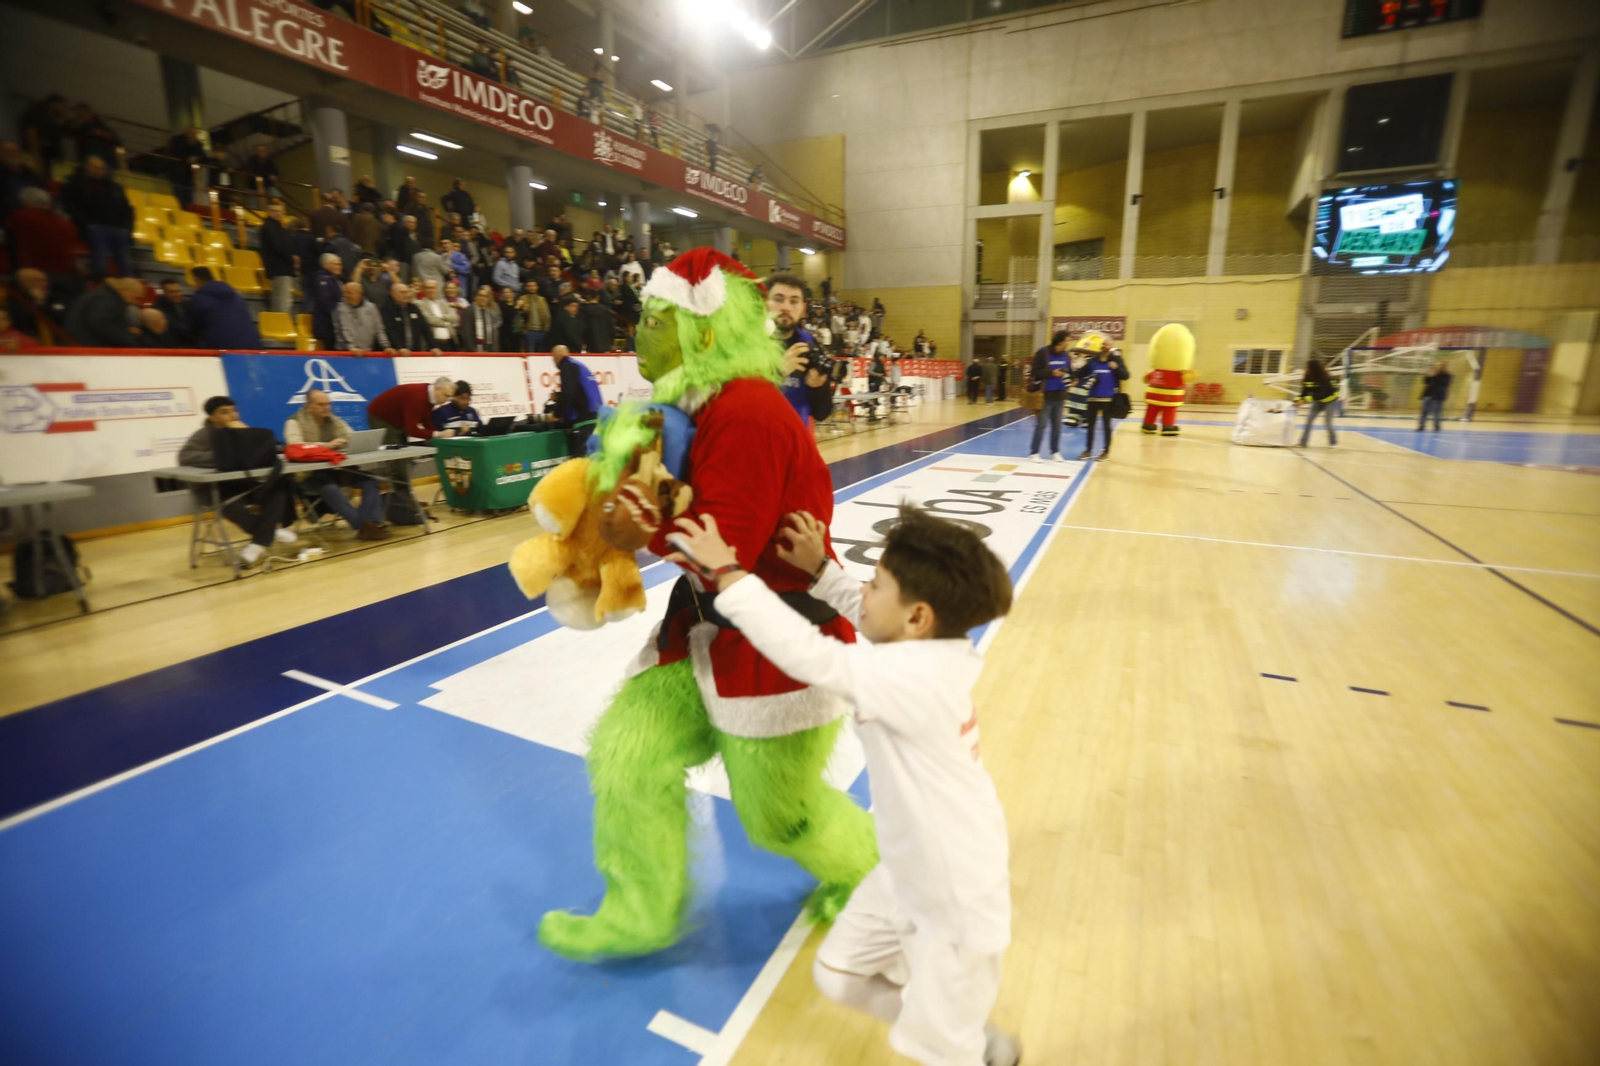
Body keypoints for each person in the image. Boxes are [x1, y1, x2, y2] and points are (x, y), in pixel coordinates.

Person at [664, 504, 1021, 1066]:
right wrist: (822, 572)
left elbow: (811, 655)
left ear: (918, 616)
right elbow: (873, 617)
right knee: (837, 976)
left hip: (956, 898)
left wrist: (729, 572)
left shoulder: (912, 678)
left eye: (876, 582)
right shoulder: (925, 650)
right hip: (908, 869)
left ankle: (965, 1045)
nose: (865, 589)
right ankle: (957, 1034)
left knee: (941, 1050)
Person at [178, 396, 299, 568]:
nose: (232, 415)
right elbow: (185, 457)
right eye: (224, 412)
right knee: (230, 503)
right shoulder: (204, 435)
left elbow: (268, 450)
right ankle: (267, 536)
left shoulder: (241, 431)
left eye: (233, 411)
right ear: (212, 417)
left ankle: (259, 542)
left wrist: (252, 437)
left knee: (278, 485)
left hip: (243, 484)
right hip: (215, 488)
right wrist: (222, 456)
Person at [284, 389, 389, 540]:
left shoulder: (333, 419)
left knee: (369, 481)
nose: (326, 408)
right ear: (308, 406)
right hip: (307, 475)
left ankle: (370, 522)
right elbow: (296, 446)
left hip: (335, 469)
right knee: (329, 487)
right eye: (321, 405)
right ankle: (363, 526)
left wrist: (350, 442)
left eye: (328, 404)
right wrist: (328, 445)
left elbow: (350, 435)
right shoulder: (293, 422)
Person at [60, 155, 133, 277]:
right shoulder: (75, 183)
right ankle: (99, 279)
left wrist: (127, 229)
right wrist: (87, 224)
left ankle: (127, 280)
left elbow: (128, 209)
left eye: (100, 168)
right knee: (100, 255)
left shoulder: (115, 187)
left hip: (118, 228)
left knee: (125, 262)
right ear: (86, 167)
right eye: (94, 167)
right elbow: (71, 205)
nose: (97, 170)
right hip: (95, 227)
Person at [766, 272, 822, 425]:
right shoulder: (747, 342)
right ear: (765, 303)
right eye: (778, 299)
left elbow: (822, 413)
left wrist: (819, 388)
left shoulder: (809, 343)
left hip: (794, 442)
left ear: (803, 309)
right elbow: (739, 402)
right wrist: (778, 372)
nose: (786, 307)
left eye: (794, 301)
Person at [1073, 335, 1128, 461]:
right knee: (1090, 425)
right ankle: (1088, 450)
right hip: (1093, 398)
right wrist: (1073, 376)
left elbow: (1126, 375)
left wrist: (1117, 368)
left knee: (1106, 426)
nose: (1104, 346)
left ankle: (1106, 451)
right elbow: (1081, 372)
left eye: (1106, 344)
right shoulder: (1093, 361)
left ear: (1111, 346)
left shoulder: (1116, 360)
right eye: (1103, 344)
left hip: (1108, 400)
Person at [367, 376, 463, 443]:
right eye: (445, 396)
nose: (446, 400)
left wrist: (440, 435)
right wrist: (438, 434)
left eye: (449, 398)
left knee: (403, 452)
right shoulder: (418, 398)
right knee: (395, 455)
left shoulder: (430, 394)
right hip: (380, 416)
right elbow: (411, 430)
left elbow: (426, 419)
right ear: (437, 388)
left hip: (395, 417)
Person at [7, 186, 77, 277]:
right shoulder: (67, 224)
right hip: (65, 275)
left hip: (32, 274)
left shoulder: (19, 216)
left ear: (28, 202)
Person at [188, 266, 264, 349]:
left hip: (224, 349)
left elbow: (194, 328)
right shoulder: (235, 294)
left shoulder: (200, 297)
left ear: (196, 280)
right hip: (253, 346)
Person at [1028, 330, 1072, 462]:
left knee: (1057, 426)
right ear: (1061, 341)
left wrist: (1073, 379)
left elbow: (1069, 371)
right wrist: (1052, 373)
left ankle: (1055, 451)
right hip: (1046, 395)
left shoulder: (1066, 355)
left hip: (1060, 395)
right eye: (1068, 340)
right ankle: (1034, 452)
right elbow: (1035, 372)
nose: (1069, 342)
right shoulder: (1043, 353)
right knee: (1041, 425)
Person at [547, 345, 598, 455]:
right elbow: (579, 392)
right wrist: (559, 397)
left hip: (584, 423)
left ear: (556, 357)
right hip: (595, 419)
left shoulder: (566, 366)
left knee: (580, 464)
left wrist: (556, 414)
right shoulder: (578, 365)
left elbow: (568, 394)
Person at [64, 277, 141, 347]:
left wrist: (125, 329)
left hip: (83, 341)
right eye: (136, 297)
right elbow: (100, 322)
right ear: (124, 290)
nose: (135, 302)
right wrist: (127, 341)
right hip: (90, 346)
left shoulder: (103, 295)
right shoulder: (109, 299)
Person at [333, 280, 393, 356]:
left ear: (359, 293)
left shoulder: (371, 308)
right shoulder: (340, 308)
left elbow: (379, 329)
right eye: (344, 292)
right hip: (346, 353)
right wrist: (351, 348)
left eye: (349, 292)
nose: (345, 295)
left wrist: (386, 346)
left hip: (367, 352)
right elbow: (341, 330)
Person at [259, 200, 297, 315]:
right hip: (280, 268)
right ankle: (281, 328)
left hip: (280, 268)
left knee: (280, 303)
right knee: (282, 305)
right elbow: (278, 246)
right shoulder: (270, 227)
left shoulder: (279, 227)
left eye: (280, 211)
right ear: (268, 211)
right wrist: (292, 258)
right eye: (274, 211)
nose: (277, 214)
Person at [380, 282, 436, 355]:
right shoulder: (387, 310)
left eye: (407, 292)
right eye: (402, 292)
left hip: (414, 352)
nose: (406, 295)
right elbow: (390, 330)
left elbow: (425, 328)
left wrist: (434, 346)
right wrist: (400, 347)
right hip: (396, 354)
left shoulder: (414, 308)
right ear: (393, 294)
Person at [1296, 356, 1339, 448]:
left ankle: (1333, 442)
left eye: (1308, 367)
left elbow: (1321, 394)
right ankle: (1303, 442)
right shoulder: (1307, 377)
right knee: (1309, 421)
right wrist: (1297, 400)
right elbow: (1304, 392)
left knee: (1328, 422)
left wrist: (1304, 401)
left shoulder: (1325, 378)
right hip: (1318, 401)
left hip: (1330, 400)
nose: (1306, 369)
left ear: (1314, 368)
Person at [308, 253, 345, 349]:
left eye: (340, 264)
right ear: (326, 265)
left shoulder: (337, 280)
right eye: (337, 264)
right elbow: (325, 302)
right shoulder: (321, 279)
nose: (340, 267)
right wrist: (341, 313)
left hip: (335, 326)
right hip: (326, 326)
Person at [166, 125, 207, 207]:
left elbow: (204, 158)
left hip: (189, 177)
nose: (193, 135)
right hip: (178, 174)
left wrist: (196, 158)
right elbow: (174, 154)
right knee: (179, 198)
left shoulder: (197, 144)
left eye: (195, 133)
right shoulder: (177, 140)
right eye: (192, 132)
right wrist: (187, 159)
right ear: (186, 132)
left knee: (189, 200)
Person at [417, 278, 459, 348]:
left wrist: (441, 316)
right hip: (431, 344)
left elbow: (455, 317)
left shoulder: (443, 303)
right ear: (424, 289)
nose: (431, 290)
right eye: (428, 288)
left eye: (433, 288)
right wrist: (446, 323)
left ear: (437, 289)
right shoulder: (419, 303)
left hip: (450, 342)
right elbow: (428, 319)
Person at [460, 286, 501, 352]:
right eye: (481, 296)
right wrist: (474, 350)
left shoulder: (490, 312)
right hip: (474, 352)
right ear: (476, 297)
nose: (483, 298)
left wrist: (494, 351)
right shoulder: (469, 310)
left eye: (486, 296)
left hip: (489, 351)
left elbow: (494, 333)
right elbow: (466, 333)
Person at [1418, 360, 1452, 432]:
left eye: (1440, 366)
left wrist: (1435, 375)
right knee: (1424, 411)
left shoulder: (1447, 375)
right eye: (1437, 366)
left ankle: (1436, 427)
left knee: (1436, 412)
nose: (1438, 367)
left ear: (1444, 367)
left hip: (1437, 396)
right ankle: (1421, 426)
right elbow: (1426, 382)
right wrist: (1426, 375)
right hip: (1428, 394)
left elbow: (1444, 384)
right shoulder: (1433, 373)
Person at [517, 280, 551, 352]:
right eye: (529, 286)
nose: (532, 288)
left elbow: (547, 315)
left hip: (541, 330)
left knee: (541, 354)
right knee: (530, 354)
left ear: (537, 287)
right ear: (526, 288)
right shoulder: (523, 298)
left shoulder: (542, 300)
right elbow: (518, 314)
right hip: (529, 331)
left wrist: (546, 329)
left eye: (533, 286)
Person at [497, 286, 525, 352]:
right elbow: (510, 317)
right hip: (506, 338)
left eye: (509, 292)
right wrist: (517, 307)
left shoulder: (517, 304)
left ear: (513, 294)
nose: (507, 294)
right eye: (504, 293)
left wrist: (524, 310)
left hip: (517, 337)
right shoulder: (501, 305)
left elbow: (524, 319)